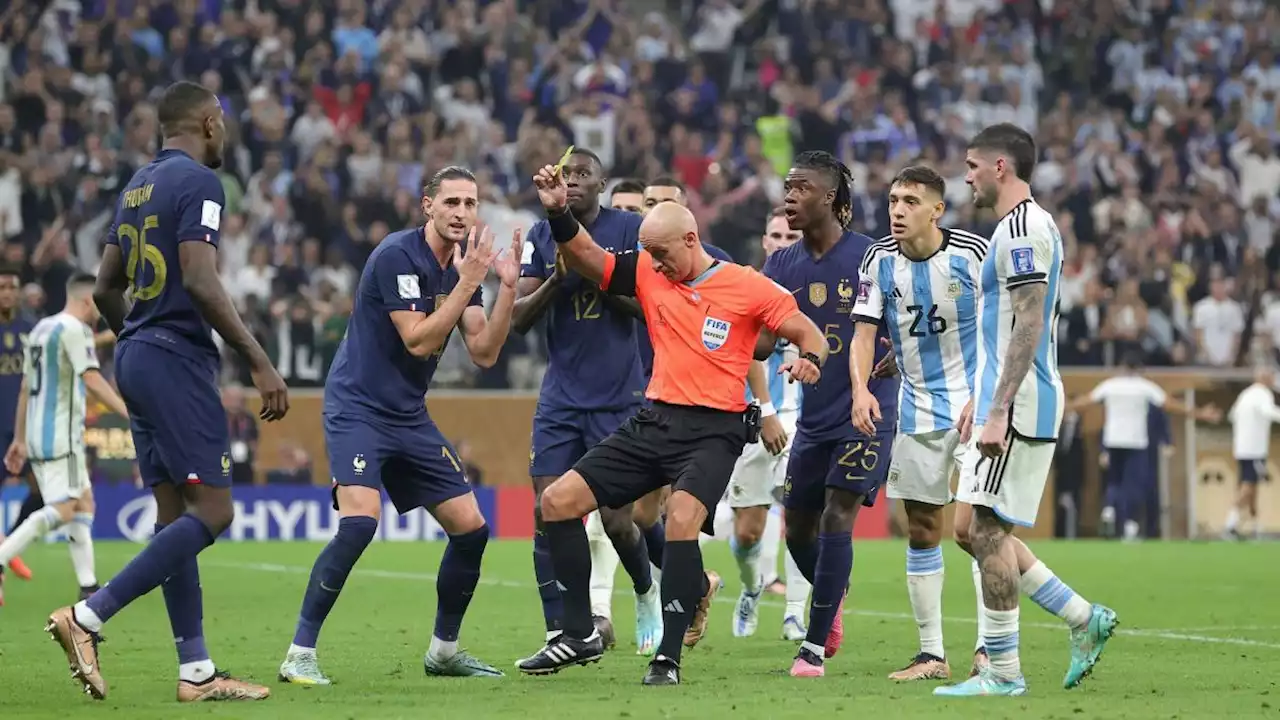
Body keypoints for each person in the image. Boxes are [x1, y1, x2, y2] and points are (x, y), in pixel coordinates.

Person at [516, 163, 828, 686]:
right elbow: (588, 257)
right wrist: (557, 212)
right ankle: (577, 634)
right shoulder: (646, 271)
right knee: (556, 503)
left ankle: (667, 657)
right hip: (654, 419)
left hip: (715, 428)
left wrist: (811, 358)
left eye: (661, 253)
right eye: (648, 254)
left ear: (690, 237)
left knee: (681, 520)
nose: (655, 265)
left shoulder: (747, 285)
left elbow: (805, 329)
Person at [46, 80, 290, 703]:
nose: (226, 134)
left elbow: (104, 289)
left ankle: (197, 673)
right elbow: (202, 281)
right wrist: (259, 361)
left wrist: (141, 338)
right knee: (215, 511)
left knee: (173, 516)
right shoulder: (200, 183)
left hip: (134, 355)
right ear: (209, 123)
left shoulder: (136, 186)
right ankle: (89, 616)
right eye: (224, 123)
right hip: (174, 361)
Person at [278, 166, 518, 684]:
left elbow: (484, 351)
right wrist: (470, 281)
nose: (461, 212)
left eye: (470, 204)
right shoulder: (396, 256)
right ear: (427, 206)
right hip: (358, 406)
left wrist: (507, 291)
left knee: (472, 529)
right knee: (361, 522)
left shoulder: (464, 268)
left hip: (407, 413)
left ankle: (444, 652)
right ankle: (299, 653)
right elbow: (419, 340)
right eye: (451, 201)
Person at [937, 123, 1117, 697]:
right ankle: (1081, 616)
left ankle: (1004, 673)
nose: (965, 176)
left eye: (971, 165)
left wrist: (999, 409)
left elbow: (1030, 321)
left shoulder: (1022, 229)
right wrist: (980, 399)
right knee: (968, 527)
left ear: (1000, 168)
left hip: (1021, 402)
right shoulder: (1012, 229)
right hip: (1002, 398)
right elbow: (1004, 330)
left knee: (987, 531)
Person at [510, 150, 662, 657]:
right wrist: (559, 277)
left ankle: (645, 589)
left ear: (601, 184)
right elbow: (519, 318)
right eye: (566, 175)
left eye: (583, 175)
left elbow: (648, 308)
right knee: (546, 511)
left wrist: (594, 270)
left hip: (618, 396)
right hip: (560, 397)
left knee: (619, 520)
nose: (572, 182)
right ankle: (565, 630)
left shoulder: (629, 230)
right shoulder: (539, 235)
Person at [761, 150, 899, 678]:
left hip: (867, 410)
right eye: (787, 186)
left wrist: (900, 356)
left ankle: (813, 647)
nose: (789, 196)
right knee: (797, 527)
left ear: (831, 198)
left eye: (800, 188)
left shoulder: (874, 256)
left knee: (838, 515)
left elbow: (904, 317)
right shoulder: (780, 266)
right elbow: (762, 338)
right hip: (814, 417)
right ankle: (831, 595)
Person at [849, 165, 990, 681]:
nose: (898, 211)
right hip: (916, 407)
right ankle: (932, 653)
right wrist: (862, 388)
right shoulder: (878, 259)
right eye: (892, 201)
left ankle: (990, 647)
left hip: (975, 406)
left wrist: (990, 394)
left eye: (910, 201)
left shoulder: (974, 255)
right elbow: (865, 332)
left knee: (977, 530)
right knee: (923, 530)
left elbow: (1003, 324)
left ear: (937, 210)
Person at [586, 174, 736, 648]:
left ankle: (669, 631)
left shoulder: (715, 268)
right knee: (636, 517)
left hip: (694, 409)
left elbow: (749, 338)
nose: (644, 214)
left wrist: (765, 405)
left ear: (684, 214)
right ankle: (694, 589)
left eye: (658, 204)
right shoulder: (642, 266)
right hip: (640, 400)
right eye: (641, 205)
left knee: (673, 514)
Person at [0, 275, 129, 605]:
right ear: (88, 301)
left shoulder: (41, 329)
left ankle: (88, 589)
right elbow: (91, 377)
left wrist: (19, 438)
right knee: (65, 508)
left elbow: (28, 387)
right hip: (62, 437)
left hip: (38, 436)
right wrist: (130, 413)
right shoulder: (76, 330)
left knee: (84, 504)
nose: (100, 314)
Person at [728, 208, 812, 641]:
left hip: (803, 419)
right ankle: (751, 586)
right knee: (747, 533)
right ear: (764, 241)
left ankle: (795, 613)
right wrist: (765, 410)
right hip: (754, 418)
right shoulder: (747, 287)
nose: (782, 241)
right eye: (775, 234)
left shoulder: (812, 291)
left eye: (790, 235)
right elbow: (746, 354)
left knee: (799, 515)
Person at [1064, 352, 1217, 541]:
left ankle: (1110, 511)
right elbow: (1170, 404)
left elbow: (1086, 401)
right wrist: (1199, 413)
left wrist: (1065, 407)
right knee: (1133, 485)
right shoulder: (1144, 387)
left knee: (1114, 480)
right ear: (1138, 370)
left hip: (1113, 440)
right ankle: (1129, 525)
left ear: (1121, 367)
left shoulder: (1111, 385)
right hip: (1135, 441)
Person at [0, 265, 33, 587]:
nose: (7, 293)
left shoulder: (32, 329)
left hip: (25, 422)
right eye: (2, 288)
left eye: (12, 287)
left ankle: (7, 547)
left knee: (44, 489)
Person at [1224, 365, 1280, 540]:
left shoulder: (1245, 394)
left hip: (1241, 447)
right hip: (1255, 448)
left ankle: (1255, 525)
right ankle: (1230, 524)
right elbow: (1269, 412)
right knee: (1248, 487)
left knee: (1251, 485)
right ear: (1266, 377)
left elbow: (1232, 416)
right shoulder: (1263, 394)